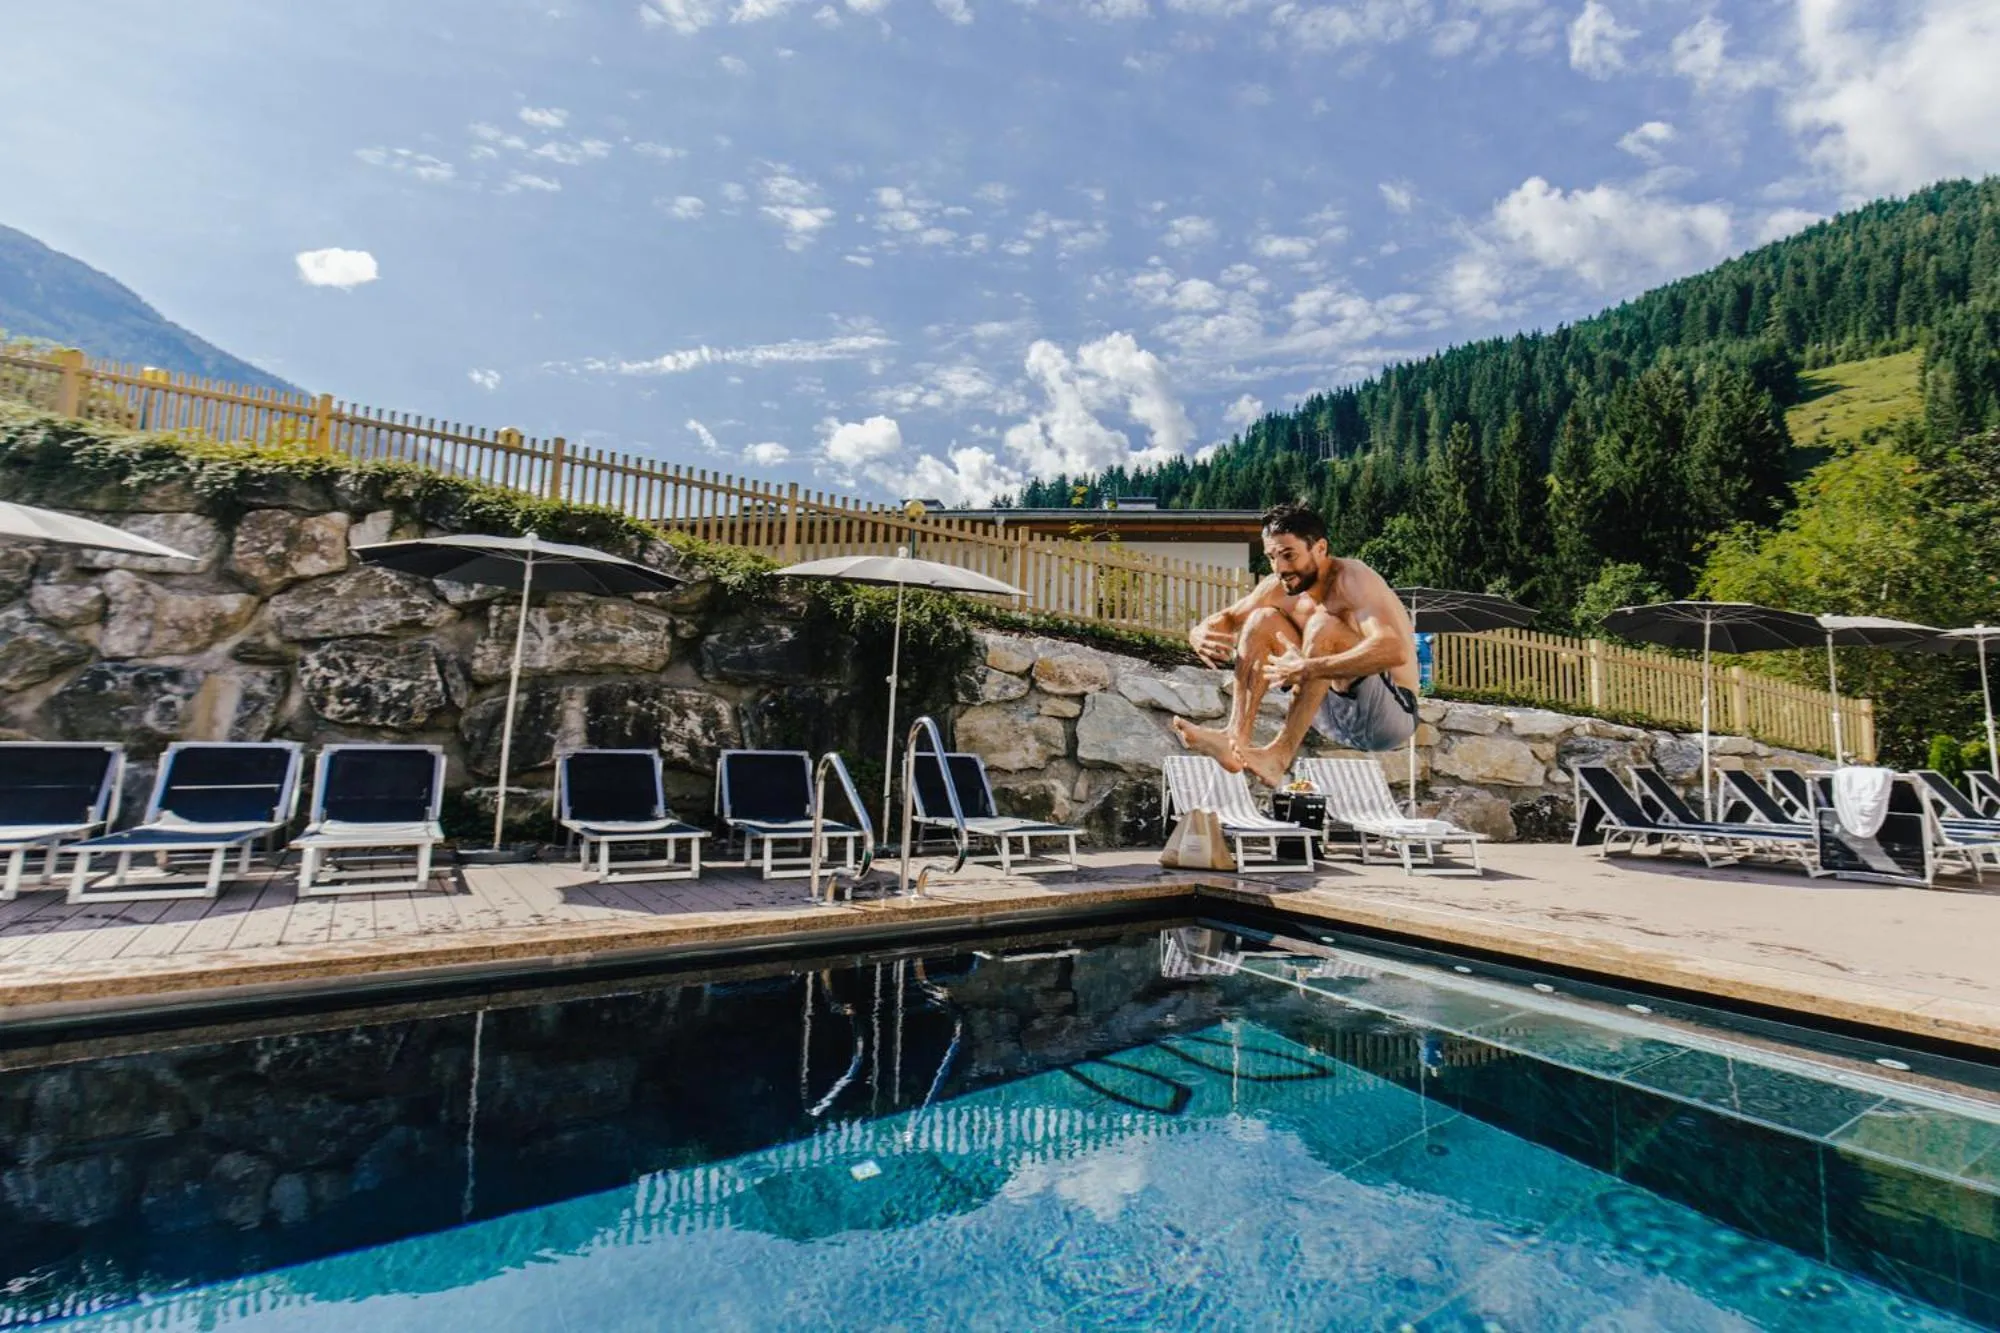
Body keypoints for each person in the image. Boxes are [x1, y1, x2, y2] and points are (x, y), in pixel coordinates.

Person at [1172, 502, 1418, 789]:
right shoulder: (1276, 588)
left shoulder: (1352, 579)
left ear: (1320, 549)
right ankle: (1234, 738)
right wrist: (1198, 632)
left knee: (1323, 625)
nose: (1280, 568)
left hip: (1388, 719)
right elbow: (1228, 619)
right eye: (1272, 557)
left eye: (1289, 555)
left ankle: (1278, 756)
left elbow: (1393, 649)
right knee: (1261, 619)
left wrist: (1308, 667)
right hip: (1327, 717)